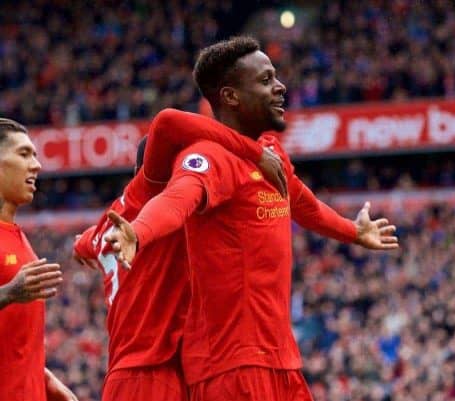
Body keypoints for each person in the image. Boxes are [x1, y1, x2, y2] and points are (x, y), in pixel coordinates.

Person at [106, 36, 398, 401]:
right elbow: (179, 198)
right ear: (230, 96)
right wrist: (140, 231)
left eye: (275, 77)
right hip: (231, 367)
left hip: (281, 360)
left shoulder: (271, 151)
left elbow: (301, 203)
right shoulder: (208, 156)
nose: (280, 87)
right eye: (265, 80)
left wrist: (352, 231)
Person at [73, 115, 287, 401]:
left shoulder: (108, 224)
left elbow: (84, 243)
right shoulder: (165, 219)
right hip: (155, 371)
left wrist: (80, 247)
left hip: (122, 373)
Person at [0, 118, 78, 401]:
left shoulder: (18, 237)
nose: (37, 164)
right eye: (23, 154)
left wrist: (46, 381)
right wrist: (8, 293)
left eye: (34, 154)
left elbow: (13, 343)